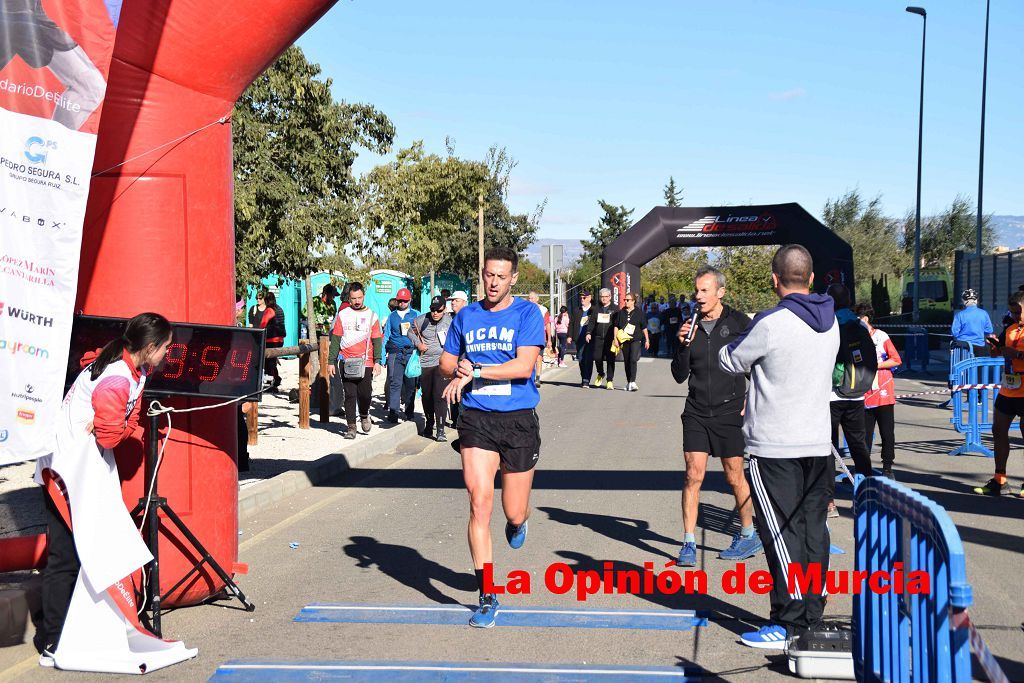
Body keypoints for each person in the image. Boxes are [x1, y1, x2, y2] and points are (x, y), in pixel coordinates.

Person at [718, 244, 840, 650]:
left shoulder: (770, 323)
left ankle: (787, 622)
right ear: (811, 277)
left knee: (781, 534)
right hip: (819, 443)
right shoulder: (832, 321)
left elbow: (731, 360)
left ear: (775, 279)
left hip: (775, 446)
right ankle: (811, 613)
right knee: (812, 532)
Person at [36, 313, 174, 666]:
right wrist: (132, 432)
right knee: (65, 556)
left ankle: (86, 627)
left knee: (94, 550)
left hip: (88, 467)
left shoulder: (137, 371)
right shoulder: (115, 377)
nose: (167, 356)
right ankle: (52, 639)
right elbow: (112, 434)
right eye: (166, 349)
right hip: (66, 472)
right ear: (149, 347)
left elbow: (129, 418)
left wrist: (128, 427)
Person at [439, 247, 545, 628]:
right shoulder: (466, 316)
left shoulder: (528, 314)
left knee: (512, 510)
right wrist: (460, 366)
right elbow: (447, 362)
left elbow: (523, 365)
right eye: (488, 275)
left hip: (517, 419)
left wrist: (479, 369)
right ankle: (487, 593)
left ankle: (518, 523)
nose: (494, 281)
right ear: (481, 275)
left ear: (513, 278)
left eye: (501, 276)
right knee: (478, 500)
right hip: (477, 418)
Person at [671, 267, 761, 568]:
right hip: (696, 410)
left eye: (705, 290)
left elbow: (758, 365)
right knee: (692, 475)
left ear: (720, 292)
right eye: (696, 290)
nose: (698, 296)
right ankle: (688, 543)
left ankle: (748, 533)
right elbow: (678, 375)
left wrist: (751, 399)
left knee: (734, 475)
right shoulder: (689, 325)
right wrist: (681, 344)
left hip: (729, 409)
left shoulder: (738, 323)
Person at [975, 290, 1024, 496]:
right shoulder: (1010, 328)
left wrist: (1018, 354)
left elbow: (1015, 354)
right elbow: (1000, 352)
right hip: (1009, 388)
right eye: (1012, 313)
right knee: (998, 431)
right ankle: (999, 480)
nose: (1015, 316)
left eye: (1018, 312)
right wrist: (995, 347)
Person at [827, 284, 875, 480]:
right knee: (858, 443)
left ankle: (829, 499)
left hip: (832, 393)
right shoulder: (859, 324)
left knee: (828, 446)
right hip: (857, 393)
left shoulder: (829, 324)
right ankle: (867, 488)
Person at [327, 282, 383, 439]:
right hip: (346, 361)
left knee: (365, 394)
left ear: (363, 296)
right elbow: (336, 339)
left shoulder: (372, 316)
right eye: (353, 298)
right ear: (349, 298)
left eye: (359, 298)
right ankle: (351, 426)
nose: (357, 301)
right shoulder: (343, 315)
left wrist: (378, 360)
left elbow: (377, 339)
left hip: (366, 361)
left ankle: (364, 414)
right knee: (350, 394)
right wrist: (331, 361)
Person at [855, 303, 902, 478]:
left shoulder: (881, 336)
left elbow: (896, 360)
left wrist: (876, 365)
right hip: (864, 393)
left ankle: (888, 468)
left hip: (883, 391)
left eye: (857, 318)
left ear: (865, 319)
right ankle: (862, 470)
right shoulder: (856, 337)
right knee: (864, 435)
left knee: (887, 432)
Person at [409, 295, 453, 441]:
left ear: (444, 310)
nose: (435, 313)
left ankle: (440, 430)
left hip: (442, 363)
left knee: (439, 395)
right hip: (426, 364)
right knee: (427, 396)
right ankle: (429, 422)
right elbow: (410, 331)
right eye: (432, 309)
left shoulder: (449, 321)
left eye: (438, 310)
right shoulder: (423, 320)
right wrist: (418, 344)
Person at [383, 288, 420, 423]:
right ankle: (393, 411)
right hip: (395, 353)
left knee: (411, 385)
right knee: (394, 382)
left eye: (405, 301)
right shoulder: (392, 316)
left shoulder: (416, 315)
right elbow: (386, 336)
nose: (402, 303)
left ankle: (409, 411)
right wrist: (381, 356)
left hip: (411, 353)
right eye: (400, 301)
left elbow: (422, 335)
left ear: (409, 300)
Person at [613, 292, 649, 392]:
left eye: (628, 300)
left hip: (635, 339)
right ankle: (629, 382)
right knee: (627, 361)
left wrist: (647, 340)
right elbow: (616, 326)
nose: (625, 301)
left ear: (633, 301)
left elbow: (644, 327)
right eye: (625, 300)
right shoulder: (621, 313)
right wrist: (615, 339)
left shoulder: (639, 313)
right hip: (624, 340)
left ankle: (633, 382)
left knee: (633, 359)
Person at [585, 288, 618, 389]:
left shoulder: (616, 309)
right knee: (597, 357)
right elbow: (591, 322)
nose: (604, 299)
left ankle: (609, 380)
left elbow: (618, 324)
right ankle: (600, 373)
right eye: (602, 297)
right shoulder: (596, 309)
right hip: (598, 338)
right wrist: (588, 333)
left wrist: (617, 338)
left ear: (610, 297)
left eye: (606, 296)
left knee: (610, 359)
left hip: (610, 338)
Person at [252, 291, 285, 392]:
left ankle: (273, 382)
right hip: (280, 340)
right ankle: (275, 380)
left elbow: (263, 324)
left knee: (268, 362)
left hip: (271, 339)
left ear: (266, 300)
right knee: (272, 361)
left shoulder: (269, 310)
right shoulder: (279, 309)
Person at [951, 288, 994, 356]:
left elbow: (954, 333)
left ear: (964, 301)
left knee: (963, 366)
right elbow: (989, 330)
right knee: (979, 366)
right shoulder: (984, 313)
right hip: (979, 346)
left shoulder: (959, 315)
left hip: (963, 347)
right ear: (976, 300)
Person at [569, 291, 593, 387]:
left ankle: (586, 379)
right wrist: (569, 336)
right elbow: (571, 324)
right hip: (579, 338)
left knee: (588, 359)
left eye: (584, 298)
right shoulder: (576, 310)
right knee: (581, 358)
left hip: (590, 339)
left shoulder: (594, 310)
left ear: (589, 298)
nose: (582, 299)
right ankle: (583, 377)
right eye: (581, 298)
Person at [527, 291, 551, 387]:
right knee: (529, 359)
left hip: (540, 338)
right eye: (529, 298)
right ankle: (529, 377)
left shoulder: (543, 310)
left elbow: (547, 324)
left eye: (532, 298)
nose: (531, 300)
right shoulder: (525, 309)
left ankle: (537, 378)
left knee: (538, 358)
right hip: (527, 338)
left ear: (537, 299)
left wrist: (549, 339)